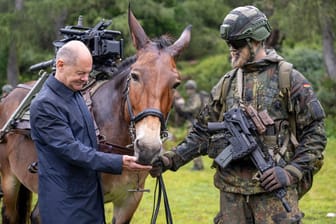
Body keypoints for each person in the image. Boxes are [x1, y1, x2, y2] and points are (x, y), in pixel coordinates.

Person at [150, 5, 327, 224]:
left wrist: (291, 171)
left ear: (256, 40)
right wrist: (170, 159)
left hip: (272, 193)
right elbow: (201, 133)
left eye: (237, 44)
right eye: (228, 44)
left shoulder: (288, 79)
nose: (231, 49)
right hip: (231, 196)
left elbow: (316, 133)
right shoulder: (226, 84)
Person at [30, 40, 152, 224]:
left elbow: (89, 141)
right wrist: (119, 161)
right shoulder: (45, 105)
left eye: (88, 73)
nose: (86, 79)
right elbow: (72, 150)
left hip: (88, 201)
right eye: (80, 73)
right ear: (60, 65)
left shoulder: (74, 93)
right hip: (64, 207)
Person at [174, 80, 204, 170]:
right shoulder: (191, 98)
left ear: (193, 89)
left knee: (193, 144)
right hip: (192, 122)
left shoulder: (196, 97)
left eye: (190, 89)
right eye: (187, 89)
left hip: (194, 123)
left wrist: (183, 108)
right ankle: (198, 165)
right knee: (194, 144)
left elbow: (194, 107)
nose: (188, 91)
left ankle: (198, 165)